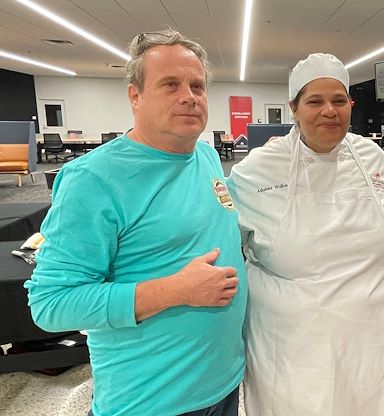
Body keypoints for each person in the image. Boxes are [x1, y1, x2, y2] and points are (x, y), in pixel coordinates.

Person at [25, 30, 247, 416]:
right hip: (151, 401)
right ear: (135, 95)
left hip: (224, 385)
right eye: (170, 84)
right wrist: (176, 290)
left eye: (198, 85)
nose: (189, 96)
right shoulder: (92, 180)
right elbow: (51, 305)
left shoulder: (207, 157)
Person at [226, 53, 384, 416]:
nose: (329, 110)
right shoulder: (257, 171)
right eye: (315, 101)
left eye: (338, 100)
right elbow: (225, 241)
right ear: (293, 108)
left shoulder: (372, 157)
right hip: (296, 347)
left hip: (378, 340)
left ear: (350, 105)